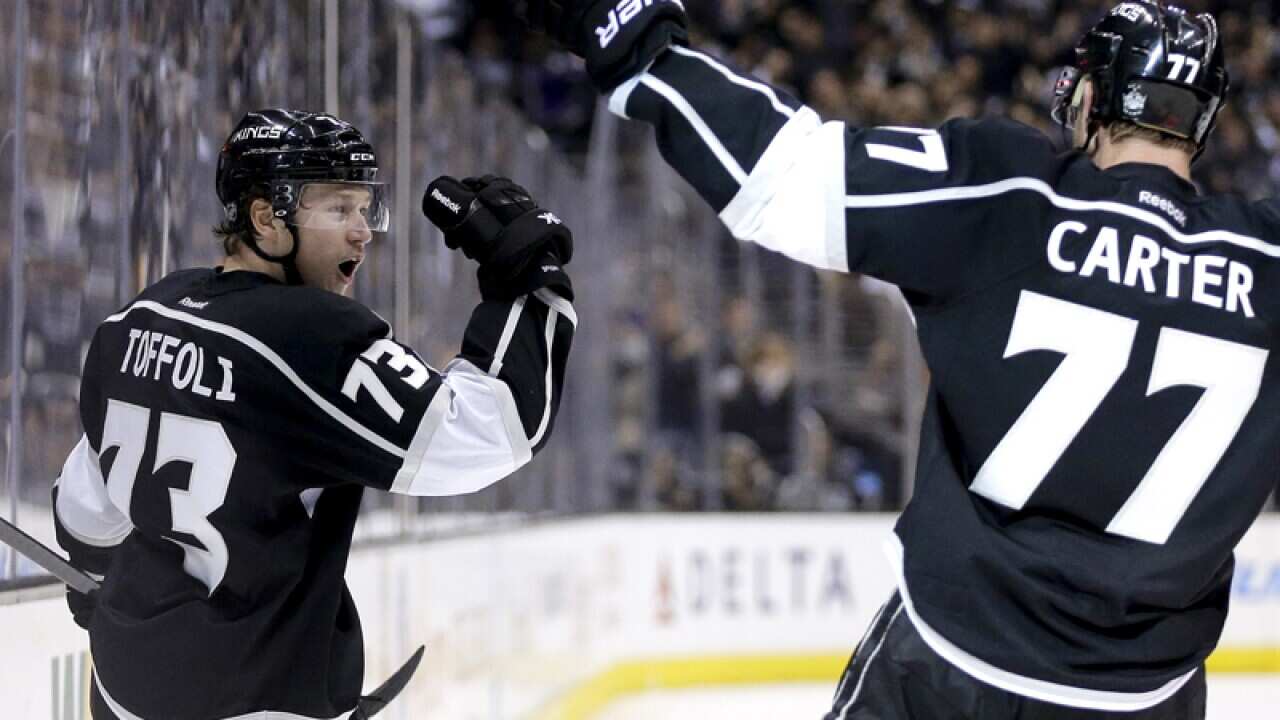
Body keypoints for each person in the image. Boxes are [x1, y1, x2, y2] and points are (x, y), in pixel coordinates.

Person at [525, 1, 1272, 717]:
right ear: (1200, 120)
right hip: (1144, 698)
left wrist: (642, 50)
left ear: (1094, 97)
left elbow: (783, 176)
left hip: (953, 668)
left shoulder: (1013, 190)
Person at [51, 108, 577, 720]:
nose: (362, 232)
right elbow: (498, 428)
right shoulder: (311, 338)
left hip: (124, 687)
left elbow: (87, 512)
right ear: (265, 218)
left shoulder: (140, 317)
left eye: (364, 209)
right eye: (338, 209)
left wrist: (96, 590)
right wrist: (529, 282)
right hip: (255, 696)